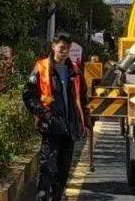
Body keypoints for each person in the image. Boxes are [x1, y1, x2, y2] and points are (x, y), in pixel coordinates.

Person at [23, 30, 90, 201]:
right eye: (61, 47)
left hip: (69, 129)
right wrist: (43, 113)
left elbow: (83, 99)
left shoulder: (75, 71)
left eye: (67, 47)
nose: (64, 50)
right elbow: (28, 95)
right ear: (53, 46)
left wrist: (86, 124)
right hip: (51, 127)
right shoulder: (41, 67)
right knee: (47, 169)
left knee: (63, 172)